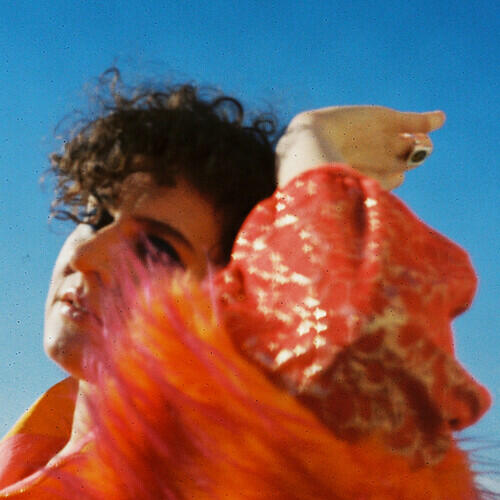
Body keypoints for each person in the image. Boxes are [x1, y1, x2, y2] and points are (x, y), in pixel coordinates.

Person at [0, 70, 491, 499]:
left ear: (240, 300)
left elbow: (361, 364)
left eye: (156, 250)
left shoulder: (213, 478)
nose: (84, 257)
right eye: (95, 217)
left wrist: (308, 148)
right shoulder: (27, 456)